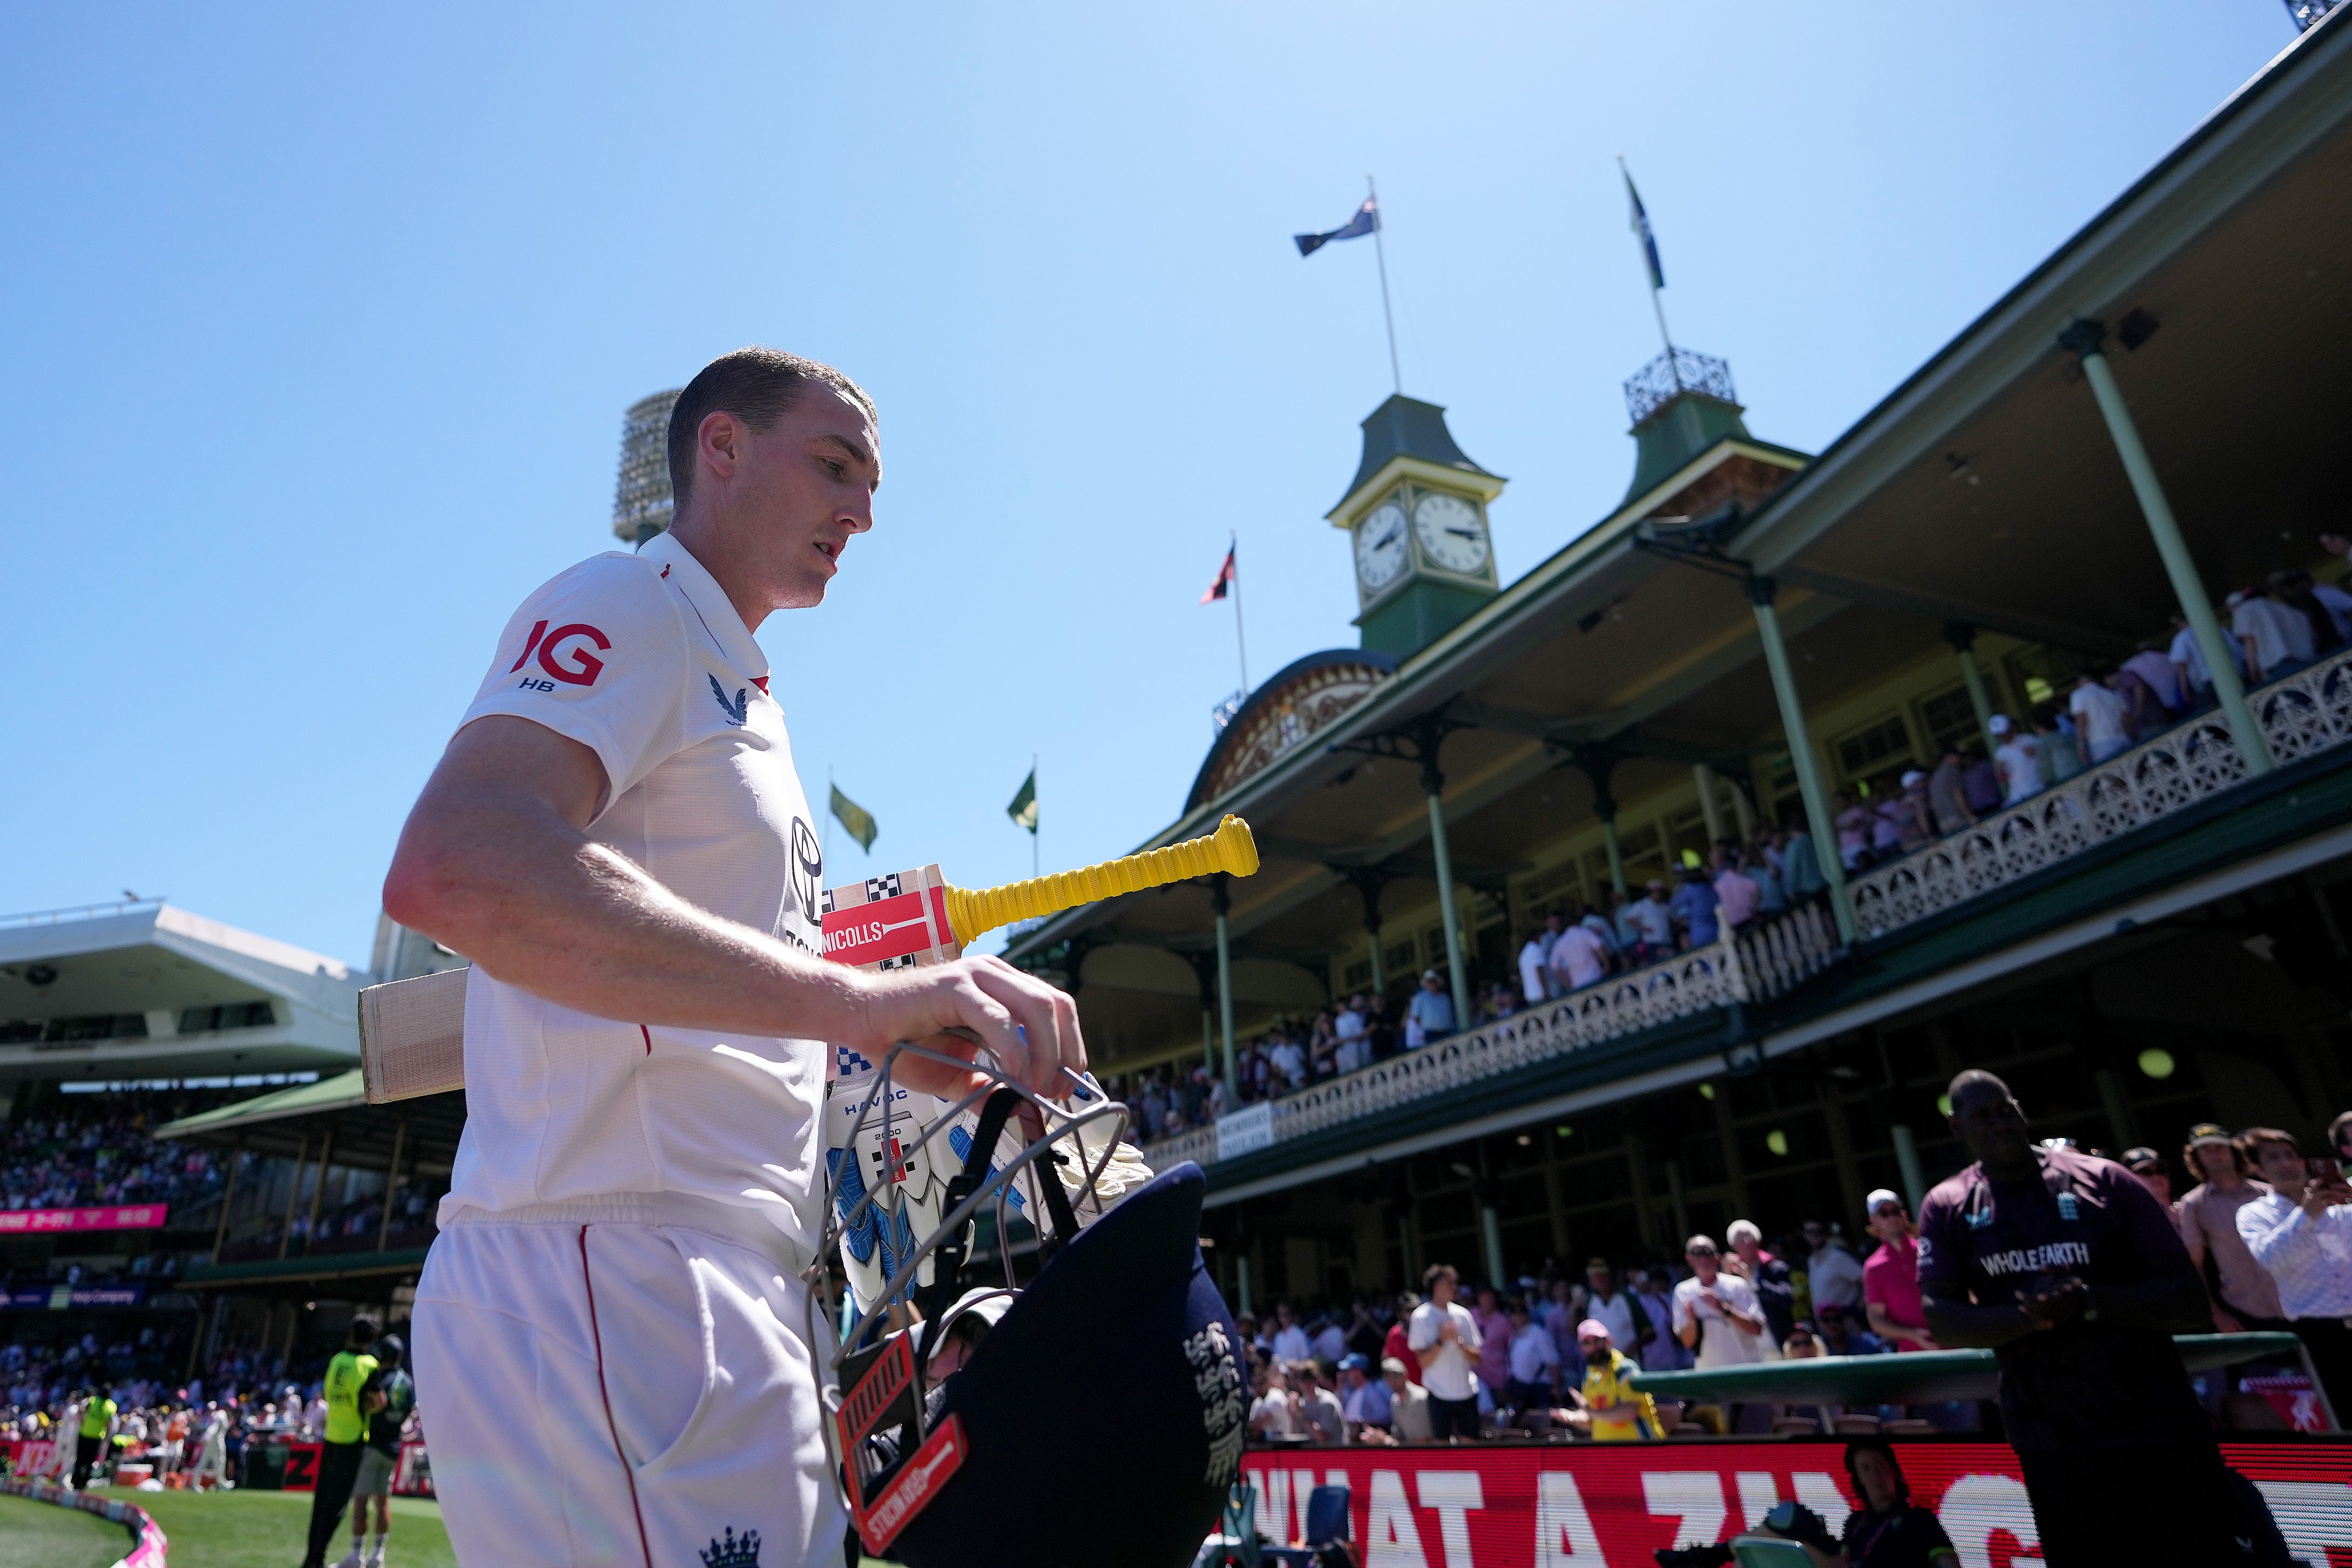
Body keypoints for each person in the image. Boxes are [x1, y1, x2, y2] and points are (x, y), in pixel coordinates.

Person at [382, 349, 1082, 1567]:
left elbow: (693, 997)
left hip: (704, 1268)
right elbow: (461, 865)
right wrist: (856, 1000)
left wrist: (879, 1043)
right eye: (834, 465)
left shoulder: (749, 698)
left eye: (872, 483)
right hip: (618, 1263)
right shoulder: (629, 601)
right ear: (721, 450)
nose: (863, 509)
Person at [1918, 1070, 2240, 1565]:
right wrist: (2029, 1316)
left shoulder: (2105, 1178)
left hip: (2157, 1423)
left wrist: (2089, 1302)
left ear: (2021, 1111)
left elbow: (2187, 1299)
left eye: (2005, 1110)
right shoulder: (1946, 1205)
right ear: (1956, 1127)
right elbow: (1941, 1317)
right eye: (1982, 1116)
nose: (1999, 1124)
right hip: (2052, 1441)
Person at [2234, 1126, 2352, 1420]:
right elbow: (2271, 1258)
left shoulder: (2342, 1204)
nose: (2286, 1163)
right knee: (2346, 1415)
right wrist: (2307, 1213)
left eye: (2290, 1156)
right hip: (2320, 1332)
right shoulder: (2254, 1214)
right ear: (2258, 1170)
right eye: (2274, 1158)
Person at [2174, 1122, 2285, 1333]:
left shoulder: (2269, 1193)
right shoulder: (2194, 1205)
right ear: (2197, 1159)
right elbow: (2195, 1267)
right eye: (2206, 1150)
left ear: (2234, 1152)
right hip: (2244, 1311)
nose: (2215, 1154)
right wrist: (2217, 1314)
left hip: (2294, 1301)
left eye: (2220, 1147)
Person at [302, 1321, 380, 1568]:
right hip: (353, 1437)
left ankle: (311, 1557)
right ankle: (317, 1558)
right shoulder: (369, 1365)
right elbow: (377, 1401)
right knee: (336, 1505)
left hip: (332, 1435)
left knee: (321, 1500)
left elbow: (328, 1393)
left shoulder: (337, 1360)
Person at [340, 1332, 414, 1568]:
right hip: (393, 1447)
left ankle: (356, 1556)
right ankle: (378, 1556)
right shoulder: (409, 1383)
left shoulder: (379, 1379)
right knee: (383, 1502)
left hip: (372, 1445)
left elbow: (369, 1406)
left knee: (361, 1501)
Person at [1836, 1438, 1959, 1568]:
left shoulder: (1921, 1520)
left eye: (1880, 1465)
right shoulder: (1854, 1523)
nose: (1875, 1474)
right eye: (1866, 1469)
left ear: (1893, 1470)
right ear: (1859, 1478)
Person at [1405, 1263, 1483, 1442]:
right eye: (1450, 1283)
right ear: (1437, 1287)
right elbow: (1422, 1361)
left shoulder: (1463, 1315)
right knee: (1443, 1452)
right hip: (1438, 1395)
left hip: (1467, 1393)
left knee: (1471, 1450)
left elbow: (1478, 1359)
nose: (1455, 1287)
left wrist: (1459, 1343)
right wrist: (1441, 1341)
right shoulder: (1421, 1316)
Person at [1670, 1235, 1766, 1368]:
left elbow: (1757, 1329)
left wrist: (1723, 1309)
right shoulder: (1683, 1291)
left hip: (1745, 1369)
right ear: (1689, 1259)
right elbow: (1687, 1342)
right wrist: (1691, 1320)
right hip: (1710, 1375)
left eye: (1708, 1253)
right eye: (1697, 1253)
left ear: (1717, 1258)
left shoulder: (1737, 1286)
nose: (1704, 1259)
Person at [1861, 1191, 1936, 1352]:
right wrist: (1913, 1335)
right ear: (1873, 1221)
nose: (1892, 1218)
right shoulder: (1873, 1267)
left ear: (1904, 1215)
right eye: (1884, 1213)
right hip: (1914, 1357)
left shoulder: (1930, 1249)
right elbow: (1876, 1320)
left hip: (1957, 1346)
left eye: (1895, 1211)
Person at [1574, 1321, 1662, 1442]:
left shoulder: (1625, 1370)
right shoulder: (1590, 1375)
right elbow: (1591, 1421)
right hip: (1607, 1454)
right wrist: (1571, 1417)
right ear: (1582, 1349)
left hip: (1640, 1450)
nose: (1594, 1347)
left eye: (1598, 1340)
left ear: (1609, 1341)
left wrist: (1591, 1413)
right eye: (1587, 1343)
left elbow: (1630, 1411)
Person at [1724, 1219, 1795, 1349]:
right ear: (1733, 1246)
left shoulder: (1776, 1268)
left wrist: (1753, 1283)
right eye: (1740, 1239)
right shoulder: (1731, 1273)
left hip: (1777, 1337)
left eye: (1748, 1236)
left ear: (1758, 1240)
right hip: (1746, 1341)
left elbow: (1787, 1300)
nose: (1746, 1241)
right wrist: (1726, 1274)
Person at [1501, 1298, 1561, 1413]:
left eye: (1521, 1312)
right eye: (1514, 1313)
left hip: (1540, 1389)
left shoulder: (1538, 1332)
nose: (1518, 1316)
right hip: (1521, 1389)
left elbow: (1553, 1361)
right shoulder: (1515, 1336)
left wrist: (1557, 1387)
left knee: (1541, 1424)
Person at [1356, 1357, 1431, 1444]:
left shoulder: (1419, 1399)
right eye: (1388, 1376)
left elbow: (1423, 1441)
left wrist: (1388, 1441)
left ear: (1405, 1374)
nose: (1393, 1380)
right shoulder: (1394, 1401)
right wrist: (1381, 1437)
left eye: (1396, 1375)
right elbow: (1398, 1437)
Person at [2067, 667, 2132, 766]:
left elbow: (2081, 721)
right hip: (2123, 738)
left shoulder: (2078, 695)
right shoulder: (2111, 693)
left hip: (2100, 743)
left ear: (2081, 680)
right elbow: (2126, 717)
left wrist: (2081, 747)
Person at [1580, 1258, 1641, 1355]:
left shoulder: (1628, 1298)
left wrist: (1631, 1349)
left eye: (1602, 1276)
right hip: (1601, 1363)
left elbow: (1648, 1332)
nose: (1599, 1280)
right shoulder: (1589, 1301)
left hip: (1631, 1362)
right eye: (1595, 1277)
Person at [1802, 1220, 1865, 1314]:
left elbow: (1867, 1281)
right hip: (1824, 1324)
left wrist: (1857, 1309)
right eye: (1810, 1232)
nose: (1814, 1236)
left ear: (1825, 1233)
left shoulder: (1839, 1257)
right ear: (1805, 1235)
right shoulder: (1811, 1261)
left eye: (1819, 1232)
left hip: (1846, 1321)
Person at [1287, 1359, 1347, 1447]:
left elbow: (1322, 1439)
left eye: (1311, 1379)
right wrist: (1293, 1414)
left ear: (1317, 1380)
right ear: (1298, 1381)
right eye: (1303, 1379)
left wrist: (1301, 1415)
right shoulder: (1302, 1402)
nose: (1307, 1384)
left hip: (1334, 1453)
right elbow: (1295, 1434)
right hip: (1313, 1454)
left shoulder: (1327, 1402)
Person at [1989, 714, 2043, 807]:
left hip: (2038, 789)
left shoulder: (2029, 740)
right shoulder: (2000, 753)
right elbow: (2003, 780)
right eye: (1999, 735)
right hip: (2017, 796)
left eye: (2004, 733)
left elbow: (2045, 762)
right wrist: (1999, 771)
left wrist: (2035, 753)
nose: (2003, 737)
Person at [70, 1384, 116, 1489]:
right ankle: (84, 1484)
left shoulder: (92, 1401)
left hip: (85, 1433)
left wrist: (82, 1423)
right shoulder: (112, 1406)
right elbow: (109, 1424)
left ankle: (76, 1482)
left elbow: (81, 1412)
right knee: (89, 1462)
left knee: (80, 1460)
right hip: (97, 1437)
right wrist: (107, 1438)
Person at [1926, 748, 1975, 837]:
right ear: (1949, 757)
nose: (1959, 759)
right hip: (1957, 816)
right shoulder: (1952, 771)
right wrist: (1969, 815)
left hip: (1942, 821)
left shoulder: (1935, 777)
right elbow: (1958, 794)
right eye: (1956, 756)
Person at [1336, 1353, 1390, 1432]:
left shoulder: (1372, 1392)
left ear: (1358, 1372)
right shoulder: (1351, 1391)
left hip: (1368, 1438)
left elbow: (1384, 1417)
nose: (1346, 1375)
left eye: (1349, 1371)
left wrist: (1361, 1425)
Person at [1382, 1291, 1422, 1386]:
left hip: (1430, 1389)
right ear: (1401, 1313)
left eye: (1415, 1309)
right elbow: (1386, 1360)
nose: (1413, 1314)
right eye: (1408, 1310)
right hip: (1406, 1391)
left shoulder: (1428, 1331)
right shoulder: (1394, 1334)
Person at [1407, 970, 1455, 1045]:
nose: (1432, 984)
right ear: (1426, 984)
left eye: (1434, 981)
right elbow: (1416, 1017)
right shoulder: (1419, 998)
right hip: (1430, 1034)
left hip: (1447, 1032)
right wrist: (1421, 1032)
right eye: (1429, 982)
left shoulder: (1445, 998)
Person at [1517, 926, 1552, 1005]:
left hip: (1530, 995)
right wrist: (1545, 990)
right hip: (1540, 994)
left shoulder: (1523, 954)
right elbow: (1539, 970)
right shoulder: (1536, 950)